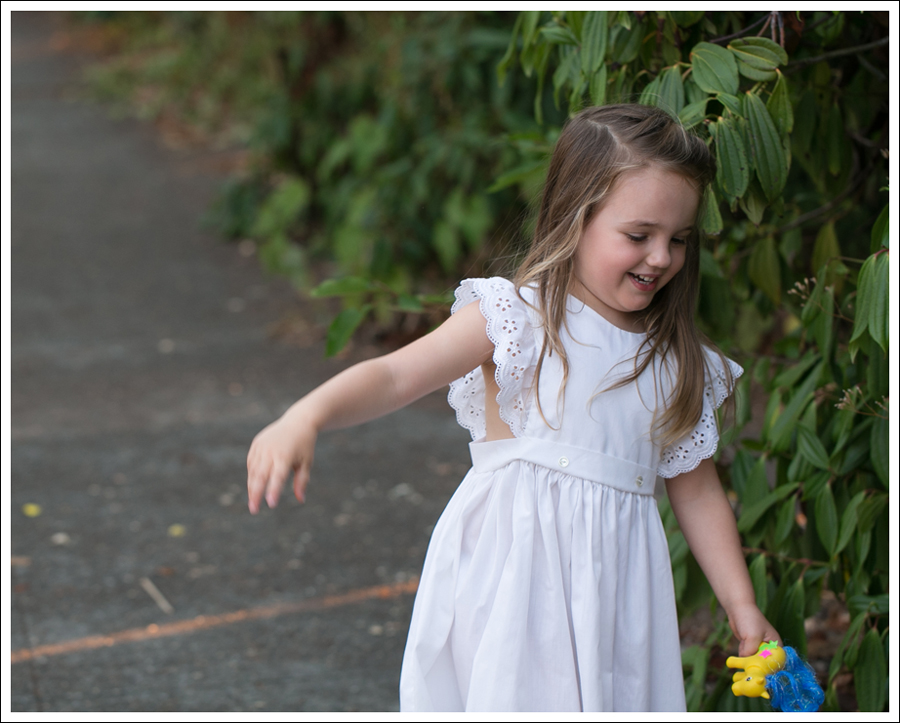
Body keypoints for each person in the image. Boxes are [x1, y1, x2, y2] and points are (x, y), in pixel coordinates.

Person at [246, 104, 781, 712]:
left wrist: (742, 605)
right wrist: (306, 416)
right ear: (575, 219)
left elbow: (696, 490)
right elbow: (396, 375)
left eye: (678, 240)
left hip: (617, 599)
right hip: (515, 581)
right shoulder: (518, 320)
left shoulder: (676, 361)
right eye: (639, 236)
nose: (661, 257)